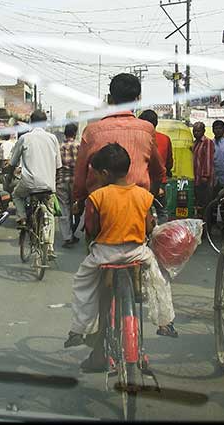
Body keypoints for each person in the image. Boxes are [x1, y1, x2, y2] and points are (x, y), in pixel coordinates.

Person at [64, 143, 177, 372]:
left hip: (105, 254)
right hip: (136, 252)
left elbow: (92, 229)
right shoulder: (143, 195)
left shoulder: (97, 196)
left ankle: (80, 328)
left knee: (83, 285)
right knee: (158, 280)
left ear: (104, 174)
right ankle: (165, 322)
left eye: (96, 173)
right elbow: (147, 228)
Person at [72, 73, 165, 231]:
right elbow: (158, 172)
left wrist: (80, 201)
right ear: (137, 99)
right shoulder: (147, 130)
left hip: (100, 217)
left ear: (110, 99)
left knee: (94, 252)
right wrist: (149, 198)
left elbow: (80, 178)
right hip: (137, 216)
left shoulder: (91, 132)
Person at [6, 110, 62, 254]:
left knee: (17, 195)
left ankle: (23, 218)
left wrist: (8, 177)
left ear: (31, 122)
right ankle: (49, 248)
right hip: (49, 184)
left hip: (29, 183)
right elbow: (58, 166)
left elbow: (13, 162)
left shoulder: (25, 138)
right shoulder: (52, 138)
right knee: (49, 214)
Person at [57, 122, 81, 248]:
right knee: (77, 209)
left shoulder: (59, 146)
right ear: (75, 133)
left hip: (61, 181)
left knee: (64, 210)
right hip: (76, 182)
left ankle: (68, 237)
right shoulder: (79, 145)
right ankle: (73, 232)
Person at [191, 122, 214, 217]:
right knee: (198, 204)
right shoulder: (195, 143)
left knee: (205, 204)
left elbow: (208, 159)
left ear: (203, 131)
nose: (196, 133)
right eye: (194, 131)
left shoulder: (207, 142)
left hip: (204, 179)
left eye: (198, 131)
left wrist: (205, 175)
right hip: (196, 178)